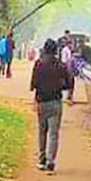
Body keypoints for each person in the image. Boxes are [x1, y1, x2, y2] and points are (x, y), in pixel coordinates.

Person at [30, 39, 73, 172]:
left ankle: (42, 160)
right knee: (53, 133)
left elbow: (33, 84)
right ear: (56, 51)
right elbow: (69, 83)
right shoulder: (60, 65)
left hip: (42, 101)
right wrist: (60, 86)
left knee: (42, 131)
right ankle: (51, 161)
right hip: (56, 102)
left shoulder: (38, 64)